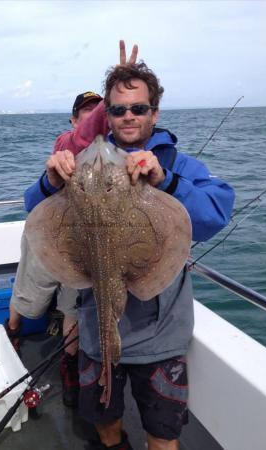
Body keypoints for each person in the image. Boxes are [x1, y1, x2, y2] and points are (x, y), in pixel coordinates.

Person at [24, 62, 235, 450]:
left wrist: (165, 181)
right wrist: (51, 181)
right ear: (108, 113)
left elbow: (217, 211)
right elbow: (34, 212)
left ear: (154, 112)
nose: (128, 116)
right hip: (94, 327)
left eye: (138, 108)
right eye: (118, 109)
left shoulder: (176, 165)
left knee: (162, 436)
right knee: (106, 427)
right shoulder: (82, 163)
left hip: (160, 335)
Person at [8, 41, 138, 410]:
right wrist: (113, 92)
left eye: (96, 112)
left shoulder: (110, 150)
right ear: (72, 119)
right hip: (50, 236)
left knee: (72, 305)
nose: (90, 118)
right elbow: (84, 136)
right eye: (84, 112)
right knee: (28, 295)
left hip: (89, 242)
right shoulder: (66, 144)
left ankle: (68, 363)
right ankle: (13, 331)